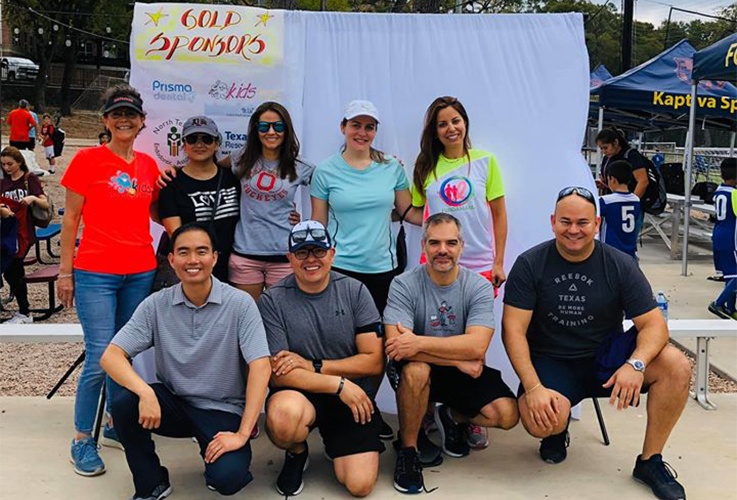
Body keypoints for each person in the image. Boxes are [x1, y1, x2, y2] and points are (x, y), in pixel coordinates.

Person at [502, 186, 691, 500]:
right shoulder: (531, 263)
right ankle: (557, 431)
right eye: (565, 222)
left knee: (677, 365)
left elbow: (654, 325)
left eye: (582, 223)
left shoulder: (619, 264)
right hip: (552, 361)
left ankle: (650, 461)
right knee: (539, 423)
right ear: (552, 222)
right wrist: (533, 388)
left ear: (597, 224)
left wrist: (636, 364)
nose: (574, 230)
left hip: (606, 361)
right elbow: (513, 331)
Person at [100, 223, 271, 500]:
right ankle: (151, 482)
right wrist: (145, 392)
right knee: (124, 400)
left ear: (215, 257)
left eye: (201, 251)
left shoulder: (240, 304)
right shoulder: (156, 305)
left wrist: (241, 433)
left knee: (229, 479)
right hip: (174, 404)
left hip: (222, 409)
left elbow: (261, 366)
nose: (193, 260)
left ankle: (213, 459)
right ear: (171, 260)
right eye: (183, 252)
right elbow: (111, 356)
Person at [58, 85, 162, 477]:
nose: (124, 119)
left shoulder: (149, 166)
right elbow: (70, 219)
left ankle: (116, 423)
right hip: (95, 272)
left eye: (131, 114)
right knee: (101, 357)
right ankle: (82, 439)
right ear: (105, 120)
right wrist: (65, 272)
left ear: (141, 122)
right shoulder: (87, 160)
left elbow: (155, 211)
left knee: (127, 355)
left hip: (140, 270)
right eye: (116, 113)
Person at [383, 213, 518, 494]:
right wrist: (458, 357)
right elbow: (397, 346)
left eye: (450, 243)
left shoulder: (478, 286)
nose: (442, 250)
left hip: (456, 368)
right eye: (434, 243)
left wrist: (419, 343)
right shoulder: (403, 284)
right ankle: (409, 450)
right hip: (421, 369)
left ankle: (452, 417)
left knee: (507, 415)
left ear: (462, 246)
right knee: (415, 370)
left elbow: (477, 346)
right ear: (423, 247)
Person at [311, 99, 420, 440]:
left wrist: (456, 208)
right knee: (347, 346)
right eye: (355, 125)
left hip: (383, 272)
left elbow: (408, 212)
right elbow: (319, 223)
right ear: (343, 128)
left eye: (369, 126)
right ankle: (347, 410)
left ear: (375, 131)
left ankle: (366, 409)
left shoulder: (391, 167)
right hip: (341, 270)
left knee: (380, 346)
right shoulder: (325, 171)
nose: (362, 132)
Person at [258, 220, 385, 497]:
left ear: (332, 253)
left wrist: (313, 365)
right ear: (290, 258)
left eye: (318, 251)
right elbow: (279, 373)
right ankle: (297, 452)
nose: (311, 259)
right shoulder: (272, 300)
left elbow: (374, 361)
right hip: (303, 393)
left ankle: (337, 446)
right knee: (282, 418)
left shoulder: (356, 291)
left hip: (350, 395)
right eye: (302, 252)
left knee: (360, 485)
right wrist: (338, 384)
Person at [411, 96, 508, 449]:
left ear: (465, 123)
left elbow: (498, 213)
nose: (451, 128)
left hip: (479, 266)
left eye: (456, 121)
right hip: (435, 266)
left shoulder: (485, 162)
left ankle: (462, 414)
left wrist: (498, 262)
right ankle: (424, 408)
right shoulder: (426, 168)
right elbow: (416, 214)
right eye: (442, 124)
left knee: (473, 348)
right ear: (434, 132)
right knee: (432, 336)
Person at [225, 102, 314, 301]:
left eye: (278, 126)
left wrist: (305, 221)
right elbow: (205, 170)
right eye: (264, 127)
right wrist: (173, 171)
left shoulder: (301, 167)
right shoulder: (239, 159)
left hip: (284, 254)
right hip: (245, 254)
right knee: (245, 320)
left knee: (280, 320)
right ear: (256, 130)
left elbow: (335, 188)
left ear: (287, 129)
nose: (271, 132)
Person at [158, 116, 239, 283]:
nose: (199, 144)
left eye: (207, 139)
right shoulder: (171, 183)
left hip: (231, 268)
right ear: (184, 144)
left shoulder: (232, 178)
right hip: (193, 268)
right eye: (192, 139)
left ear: (217, 144)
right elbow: (176, 234)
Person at [0, 146, 49, 324]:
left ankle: (24, 311)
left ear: (19, 162)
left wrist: (32, 198)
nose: (7, 168)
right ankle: (22, 310)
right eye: (3, 164)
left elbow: (44, 203)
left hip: (23, 232)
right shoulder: (2, 182)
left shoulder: (29, 179)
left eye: (10, 164)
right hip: (6, 231)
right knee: (9, 270)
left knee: (14, 269)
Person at [708, 158, 737, 320]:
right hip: (731, 237)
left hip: (719, 234)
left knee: (730, 275)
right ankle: (718, 303)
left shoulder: (719, 191)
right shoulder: (734, 194)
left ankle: (730, 308)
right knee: (736, 276)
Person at [599, 160, 641, 258]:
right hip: (630, 252)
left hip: (610, 251)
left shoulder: (605, 201)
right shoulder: (636, 200)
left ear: (612, 179)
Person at [596, 128, 649, 200]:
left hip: (628, 203)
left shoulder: (631, 156)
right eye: (601, 148)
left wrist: (632, 202)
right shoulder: (607, 158)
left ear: (615, 143)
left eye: (605, 148)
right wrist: (604, 185)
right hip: (612, 201)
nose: (603, 151)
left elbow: (643, 181)